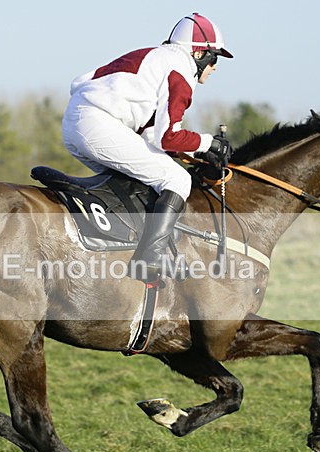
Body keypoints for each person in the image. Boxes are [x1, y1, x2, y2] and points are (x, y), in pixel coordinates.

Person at [62, 12, 233, 282]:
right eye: (215, 58)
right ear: (199, 54)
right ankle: (149, 260)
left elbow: (152, 134)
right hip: (99, 125)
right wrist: (208, 143)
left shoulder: (152, 56)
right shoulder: (181, 69)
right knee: (176, 179)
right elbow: (168, 137)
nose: (215, 67)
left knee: (142, 179)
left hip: (76, 123)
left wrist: (196, 151)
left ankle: (120, 244)